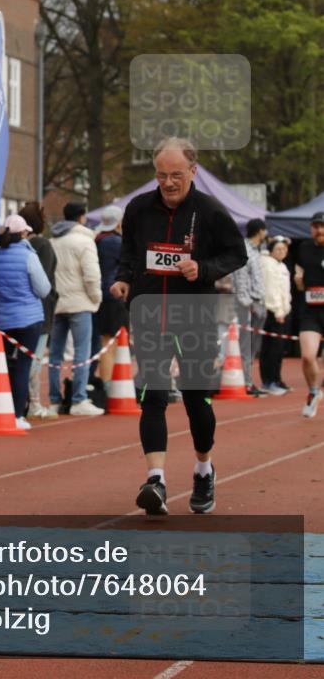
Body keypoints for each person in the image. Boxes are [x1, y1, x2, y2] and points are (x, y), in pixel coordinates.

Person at [111, 137, 247, 516]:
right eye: (160, 175)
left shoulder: (211, 211)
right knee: (152, 397)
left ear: (193, 172)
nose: (168, 183)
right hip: (150, 315)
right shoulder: (139, 208)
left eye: (175, 175)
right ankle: (156, 480)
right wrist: (124, 278)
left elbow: (237, 254)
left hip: (195, 318)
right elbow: (130, 252)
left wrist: (203, 269)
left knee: (195, 400)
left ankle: (203, 469)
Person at [0, 213, 52, 429]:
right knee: (22, 367)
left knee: (1, 365)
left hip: (4, 318)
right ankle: (17, 415)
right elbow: (44, 289)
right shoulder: (29, 256)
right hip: (29, 318)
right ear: (24, 233)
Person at [49, 202, 103, 417]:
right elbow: (91, 275)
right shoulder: (85, 241)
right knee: (82, 352)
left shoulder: (52, 241)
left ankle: (54, 400)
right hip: (81, 303)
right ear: (82, 217)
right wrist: (96, 298)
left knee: (55, 354)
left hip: (57, 303)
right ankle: (79, 399)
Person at [19, 201, 58, 419]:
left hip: (15, 309)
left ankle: (25, 401)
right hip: (40, 310)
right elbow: (45, 282)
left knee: (20, 358)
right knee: (33, 359)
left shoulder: (11, 246)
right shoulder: (43, 246)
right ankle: (32, 402)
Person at [230, 218, 269, 396]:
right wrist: (247, 303)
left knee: (253, 346)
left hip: (258, 302)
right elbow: (241, 279)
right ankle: (245, 382)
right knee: (245, 345)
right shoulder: (245, 250)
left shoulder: (257, 250)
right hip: (248, 304)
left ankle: (248, 379)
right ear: (260, 231)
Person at [294, 211, 324, 418]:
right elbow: (298, 272)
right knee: (307, 356)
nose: (319, 230)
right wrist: (298, 278)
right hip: (311, 310)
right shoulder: (303, 248)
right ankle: (314, 392)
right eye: (315, 226)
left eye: (322, 226)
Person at [94, 205, 126, 386]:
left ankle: (108, 383)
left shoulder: (98, 239)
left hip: (102, 294)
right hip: (113, 295)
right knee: (110, 341)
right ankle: (108, 384)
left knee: (106, 340)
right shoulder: (115, 242)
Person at [259, 237, 292, 395]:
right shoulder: (267, 264)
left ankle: (277, 379)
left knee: (279, 349)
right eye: (278, 249)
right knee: (271, 348)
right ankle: (268, 381)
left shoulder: (282, 266)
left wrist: (286, 308)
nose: (282, 252)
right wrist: (278, 311)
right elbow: (271, 290)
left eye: (284, 249)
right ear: (271, 250)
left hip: (283, 312)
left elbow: (285, 291)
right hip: (273, 312)